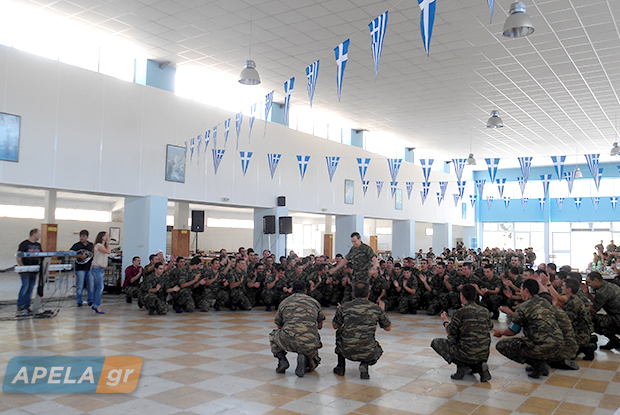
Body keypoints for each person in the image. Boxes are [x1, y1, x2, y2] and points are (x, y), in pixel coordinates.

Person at [493, 279, 564, 378]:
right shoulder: (545, 302)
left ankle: (538, 365)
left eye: (521, 289)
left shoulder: (523, 308)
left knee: (502, 345)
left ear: (526, 290)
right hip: (558, 344)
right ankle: (540, 362)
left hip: (542, 345)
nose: (520, 292)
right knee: (533, 340)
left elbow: (512, 331)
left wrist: (500, 332)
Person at [430, 284, 493, 382]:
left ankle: (462, 366)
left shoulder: (460, 312)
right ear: (475, 296)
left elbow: (450, 331)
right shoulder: (484, 311)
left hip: (466, 353)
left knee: (437, 342)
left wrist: (445, 321)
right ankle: (480, 367)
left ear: (462, 296)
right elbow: (490, 326)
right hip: (483, 353)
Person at [332, 282, 391, 379]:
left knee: (340, 332)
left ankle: (341, 367)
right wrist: (382, 311)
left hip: (346, 350)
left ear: (354, 294)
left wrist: (339, 311)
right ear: (368, 294)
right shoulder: (376, 308)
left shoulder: (345, 307)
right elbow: (387, 328)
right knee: (378, 350)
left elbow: (335, 326)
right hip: (368, 351)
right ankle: (365, 364)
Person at [270, 281, 325, 377]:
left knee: (273, 335)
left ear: (292, 291)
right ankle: (304, 359)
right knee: (312, 365)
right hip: (309, 340)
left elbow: (279, 326)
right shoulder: (314, 302)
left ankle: (282, 360)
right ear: (306, 291)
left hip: (288, 339)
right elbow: (320, 326)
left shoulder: (284, 302)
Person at [586, 271, 620, 350]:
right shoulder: (609, 285)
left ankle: (614, 340)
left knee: (592, 320)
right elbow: (597, 302)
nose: (589, 285)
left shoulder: (602, 292)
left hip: (618, 319)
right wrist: (588, 294)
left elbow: (593, 310)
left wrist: (583, 301)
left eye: (589, 282)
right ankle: (614, 341)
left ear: (596, 280)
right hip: (617, 316)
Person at [16, 228, 42, 316]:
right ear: (34, 234)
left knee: (30, 288)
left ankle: (27, 306)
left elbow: (41, 256)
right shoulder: (24, 244)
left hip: (34, 269)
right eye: (39, 234)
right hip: (25, 269)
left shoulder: (38, 245)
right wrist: (22, 267)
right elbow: (18, 256)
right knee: (25, 286)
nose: (40, 236)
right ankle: (20, 306)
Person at [70, 230, 94, 307]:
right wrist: (79, 256)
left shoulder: (91, 245)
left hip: (89, 268)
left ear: (87, 237)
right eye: (80, 236)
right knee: (80, 285)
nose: (81, 238)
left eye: (83, 236)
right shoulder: (76, 245)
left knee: (90, 285)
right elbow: (71, 254)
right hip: (79, 268)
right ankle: (79, 301)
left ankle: (90, 300)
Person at [91, 231, 111, 314]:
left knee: (97, 288)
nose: (107, 237)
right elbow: (108, 251)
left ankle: (95, 304)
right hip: (96, 269)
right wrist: (109, 243)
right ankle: (98, 306)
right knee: (100, 287)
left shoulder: (102, 246)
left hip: (100, 269)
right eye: (105, 235)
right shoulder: (98, 245)